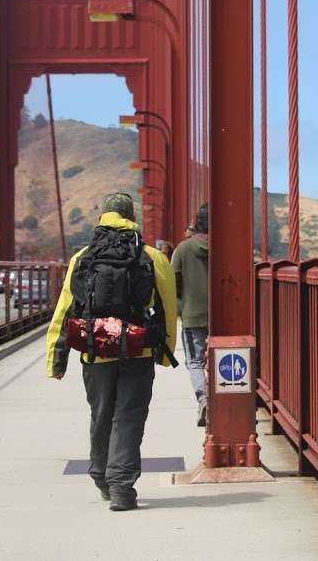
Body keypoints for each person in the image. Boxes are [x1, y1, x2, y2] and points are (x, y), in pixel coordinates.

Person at [45, 192, 178, 512]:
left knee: (101, 414)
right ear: (131, 217)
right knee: (129, 418)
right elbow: (168, 308)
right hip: (137, 350)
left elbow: (65, 309)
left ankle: (100, 474)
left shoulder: (83, 257)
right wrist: (164, 351)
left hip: (95, 351)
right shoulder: (151, 256)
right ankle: (121, 486)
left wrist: (56, 357)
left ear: (103, 217)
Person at [171, 204, 209, 427]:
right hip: (224, 318)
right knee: (219, 359)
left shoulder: (183, 249)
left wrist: (180, 305)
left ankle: (203, 399)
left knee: (194, 362)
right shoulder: (226, 247)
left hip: (192, 315)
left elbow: (173, 281)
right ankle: (222, 399)